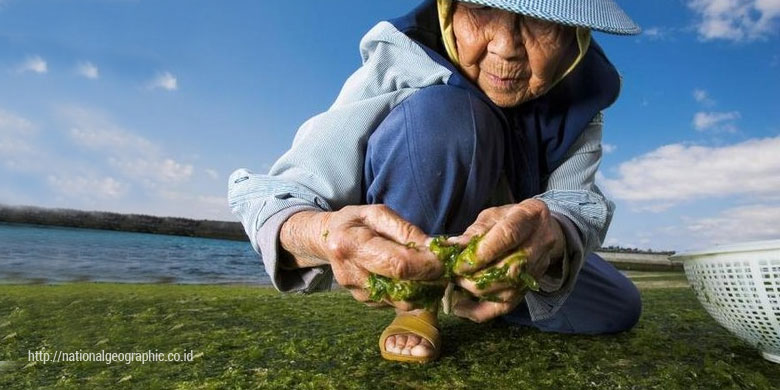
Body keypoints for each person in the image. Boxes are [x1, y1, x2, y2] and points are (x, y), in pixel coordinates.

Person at [228, 0, 643, 363]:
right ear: (448, 9)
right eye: (481, 10)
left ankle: (482, 291)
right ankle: (417, 302)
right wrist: (321, 234)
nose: (505, 48)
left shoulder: (583, 93)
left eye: (542, 22)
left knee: (618, 307)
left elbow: (575, 198)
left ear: (576, 37)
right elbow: (280, 193)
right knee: (448, 118)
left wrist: (551, 236)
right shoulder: (401, 57)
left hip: (503, 252)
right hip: (414, 230)